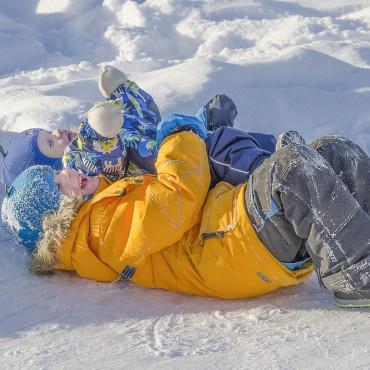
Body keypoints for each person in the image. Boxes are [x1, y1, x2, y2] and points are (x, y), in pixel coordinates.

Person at [3, 117, 370, 308]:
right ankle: (356, 280)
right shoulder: (98, 233)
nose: (66, 172)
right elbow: (176, 201)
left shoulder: (100, 210)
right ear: (54, 220)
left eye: (57, 171)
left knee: (331, 152)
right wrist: (179, 137)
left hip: (235, 231)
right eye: (55, 185)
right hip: (233, 244)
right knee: (291, 170)